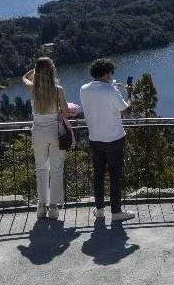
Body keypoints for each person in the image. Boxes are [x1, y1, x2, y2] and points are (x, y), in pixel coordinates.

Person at [79, 58, 135, 222]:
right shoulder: (111, 91)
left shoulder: (84, 89)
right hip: (114, 139)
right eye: (111, 72)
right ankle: (116, 212)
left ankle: (100, 210)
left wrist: (112, 90)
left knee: (98, 175)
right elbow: (127, 112)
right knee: (115, 175)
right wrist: (129, 93)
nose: (112, 75)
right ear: (107, 73)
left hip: (95, 138)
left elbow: (99, 102)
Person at [22, 57, 78, 220]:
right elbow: (66, 113)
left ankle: (41, 207)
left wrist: (34, 71)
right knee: (56, 169)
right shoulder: (57, 89)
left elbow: (23, 78)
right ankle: (53, 208)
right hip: (55, 131)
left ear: (37, 72)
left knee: (41, 169)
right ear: (52, 70)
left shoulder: (32, 89)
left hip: (38, 132)